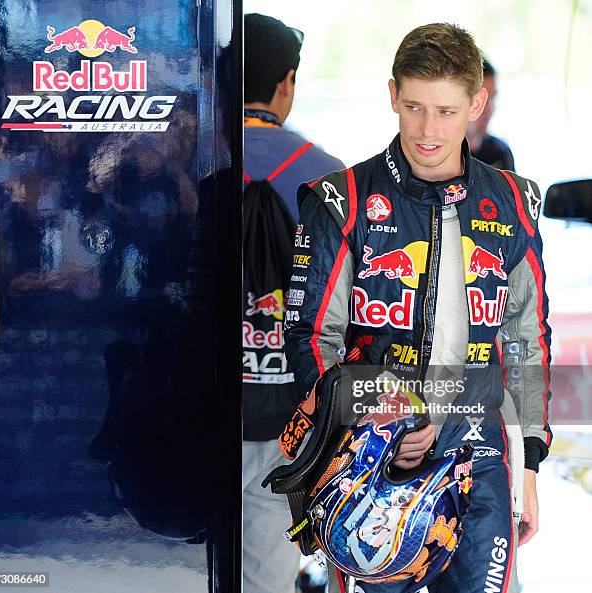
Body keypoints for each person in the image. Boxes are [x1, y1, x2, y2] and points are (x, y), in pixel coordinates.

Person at [284, 23, 551, 593]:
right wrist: (372, 423)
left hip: (479, 452)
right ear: (391, 95)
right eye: (414, 107)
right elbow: (308, 335)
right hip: (369, 463)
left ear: (476, 104)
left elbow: (530, 338)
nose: (429, 130)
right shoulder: (343, 200)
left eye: (447, 111)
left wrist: (528, 464)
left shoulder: (514, 201)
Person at [242, 13, 344, 593]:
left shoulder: (182, 158)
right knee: (265, 573)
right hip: (289, 414)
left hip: (194, 406)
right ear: (286, 83)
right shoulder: (331, 178)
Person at [467, 58, 516, 170]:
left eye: (493, 97)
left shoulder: (500, 153)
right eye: (478, 100)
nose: (488, 109)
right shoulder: (439, 156)